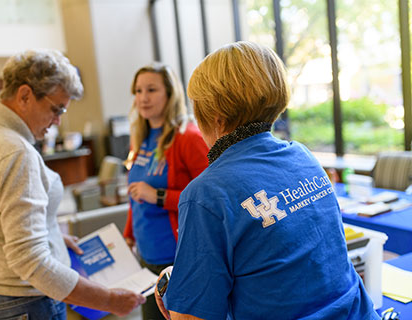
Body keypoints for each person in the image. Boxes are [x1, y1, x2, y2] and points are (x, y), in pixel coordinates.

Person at [155, 41, 380, 319]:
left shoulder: (206, 194)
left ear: (215, 116)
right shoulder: (303, 157)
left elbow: (190, 317)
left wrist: (174, 281)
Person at [0, 49, 145, 319]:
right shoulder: (15, 152)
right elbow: (30, 260)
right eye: (56, 108)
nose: (58, 120)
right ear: (25, 95)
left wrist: (49, 235)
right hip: (22, 302)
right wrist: (108, 300)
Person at [123, 62, 209, 320]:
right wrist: (129, 236)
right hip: (146, 256)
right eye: (138, 91)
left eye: (151, 90)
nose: (143, 98)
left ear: (170, 94)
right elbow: (135, 195)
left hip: (177, 258)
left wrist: (158, 196)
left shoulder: (188, 137)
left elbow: (209, 199)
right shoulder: (141, 137)